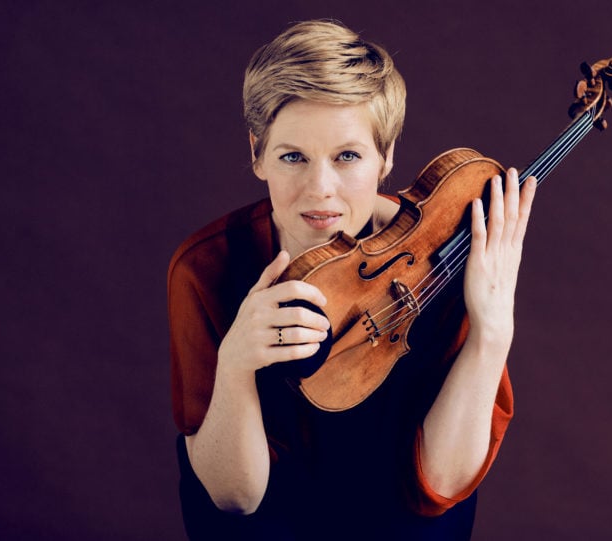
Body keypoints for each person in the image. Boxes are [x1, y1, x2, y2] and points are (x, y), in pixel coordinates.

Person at [167, 19, 536, 540]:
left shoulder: (441, 252)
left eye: (348, 156)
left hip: (401, 511)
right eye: (293, 156)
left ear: (386, 156)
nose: (321, 190)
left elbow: (443, 481)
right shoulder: (206, 267)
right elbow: (236, 498)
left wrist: (492, 331)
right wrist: (234, 366)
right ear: (257, 153)